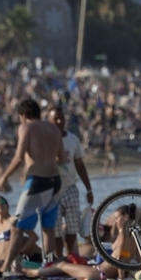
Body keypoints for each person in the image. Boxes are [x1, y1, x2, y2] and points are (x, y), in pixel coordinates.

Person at [0, 98, 65, 269]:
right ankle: (48, 264)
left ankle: (5, 266)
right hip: (55, 181)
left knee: (17, 227)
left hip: (38, 182)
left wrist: (4, 177)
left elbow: (19, 157)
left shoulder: (26, 127)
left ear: (24, 115)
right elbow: (62, 157)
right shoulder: (54, 129)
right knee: (48, 228)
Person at [48, 104, 94, 260]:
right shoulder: (44, 139)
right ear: (49, 120)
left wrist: (89, 189)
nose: (59, 121)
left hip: (70, 188)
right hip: (51, 190)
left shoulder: (72, 139)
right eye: (55, 119)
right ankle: (59, 257)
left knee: (72, 228)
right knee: (55, 230)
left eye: (61, 118)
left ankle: (70, 257)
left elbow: (80, 165)